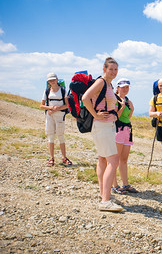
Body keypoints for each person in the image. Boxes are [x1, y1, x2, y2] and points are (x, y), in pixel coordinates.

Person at [82, 57, 123, 212]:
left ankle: (103, 194)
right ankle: (105, 201)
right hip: (102, 126)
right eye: (111, 69)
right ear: (104, 69)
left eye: (115, 69)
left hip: (105, 126)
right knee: (113, 160)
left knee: (102, 160)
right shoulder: (101, 82)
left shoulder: (108, 84)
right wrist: (95, 115)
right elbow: (85, 98)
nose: (113, 72)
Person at [111, 78, 138, 194]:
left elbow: (128, 117)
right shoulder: (114, 99)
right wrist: (122, 107)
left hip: (127, 130)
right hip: (118, 130)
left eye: (127, 87)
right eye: (123, 87)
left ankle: (125, 184)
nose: (125, 89)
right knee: (114, 160)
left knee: (124, 160)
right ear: (117, 87)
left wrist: (131, 109)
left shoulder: (127, 100)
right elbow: (115, 117)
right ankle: (114, 185)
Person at [40, 72, 72, 167]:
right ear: (48, 82)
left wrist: (56, 109)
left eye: (53, 79)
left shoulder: (63, 90)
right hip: (50, 116)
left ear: (57, 80)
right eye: (50, 80)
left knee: (60, 136)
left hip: (60, 116)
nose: (52, 81)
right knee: (51, 136)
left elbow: (67, 105)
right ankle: (51, 158)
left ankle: (64, 157)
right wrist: (50, 108)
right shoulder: (47, 91)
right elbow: (41, 105)